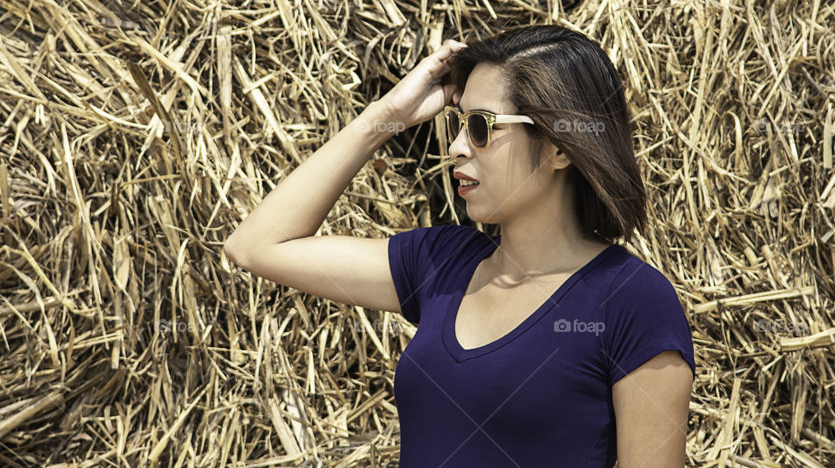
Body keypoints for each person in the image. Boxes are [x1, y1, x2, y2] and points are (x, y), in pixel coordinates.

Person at [224, 24, 695, 468]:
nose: (456, 147)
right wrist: (387, 117)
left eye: (480, 126)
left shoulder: (632, 302)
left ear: (560, 147)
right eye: (458, 122)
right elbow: (256, 246)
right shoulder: (440, 265)